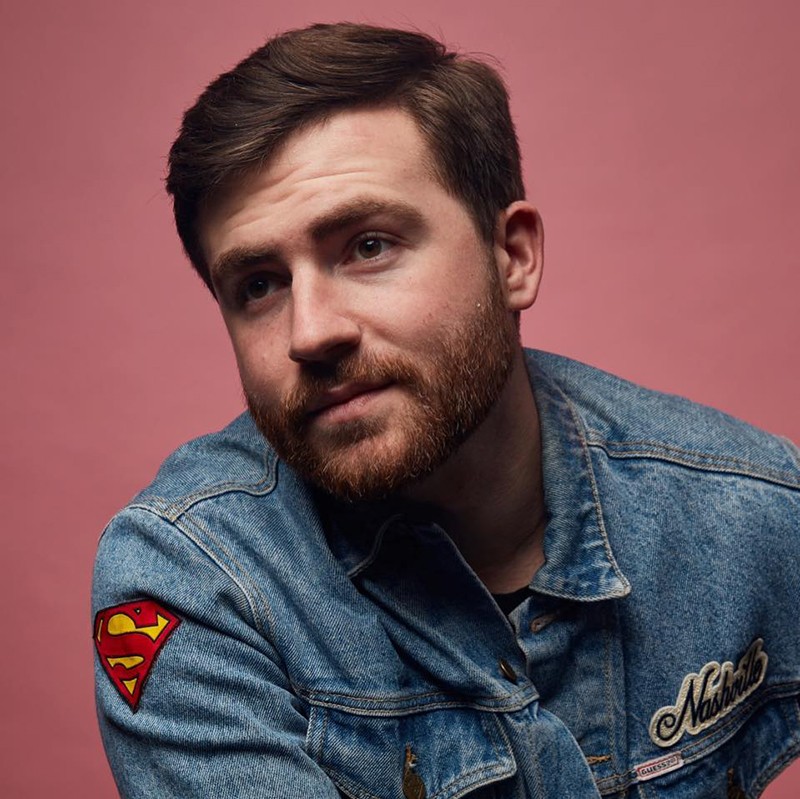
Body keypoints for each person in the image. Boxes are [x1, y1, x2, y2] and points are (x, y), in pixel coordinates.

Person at [92, 22, 800, 799]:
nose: (310, 330)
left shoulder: (752, 511)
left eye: (368, 246)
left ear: (514, 257)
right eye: (259, 284)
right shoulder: (195, 580)